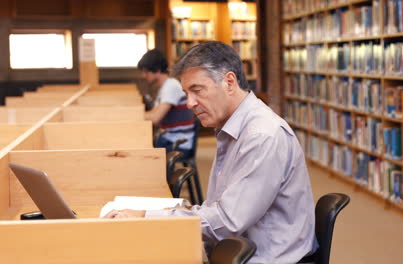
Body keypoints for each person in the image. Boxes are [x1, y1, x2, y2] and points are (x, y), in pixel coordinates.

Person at [106, 41, 318, 263]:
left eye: (197, 91)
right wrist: (167, 212)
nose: (189, 103)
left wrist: (147, 216)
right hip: (237, 248)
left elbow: (228, 221)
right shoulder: (231, 125)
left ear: (229, 82)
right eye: (186, 93)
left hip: (264, 256)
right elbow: (221, 207)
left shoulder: (261, 135)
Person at [137, 48, 195, 156]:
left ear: (157, 70)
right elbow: (153, 114)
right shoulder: (165, 87)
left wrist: (131, 116)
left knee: (138, 150)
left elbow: (155, 118)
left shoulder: (171, 86)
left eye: (146, 71)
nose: (144, 76)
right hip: (169, 138)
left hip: (178, 143)